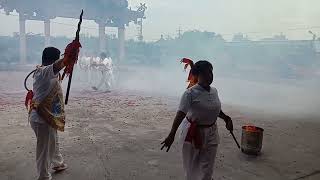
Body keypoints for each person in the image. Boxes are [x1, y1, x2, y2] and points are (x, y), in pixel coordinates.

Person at [161, 60, 233, 180]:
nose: (209, 76)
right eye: (205, 73)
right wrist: (171, 134)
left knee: (207, 167)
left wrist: (226, 118)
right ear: (197, 75)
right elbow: (180, 114)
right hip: (192, 133)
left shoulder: (214, 91)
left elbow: (214, 108)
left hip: (211, 132)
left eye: (210, 72)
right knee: (192, 168)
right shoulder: (190, 93)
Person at [29, 47, 71, 180]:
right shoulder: (44, 71)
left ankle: (58, 163)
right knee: (45, 150)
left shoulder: (45, 71)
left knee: (53, 140)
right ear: (53, 60)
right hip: (42, 118)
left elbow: (61, 64)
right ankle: (43, 176)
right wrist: (71, 53)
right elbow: (62, 63)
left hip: (48, 115)